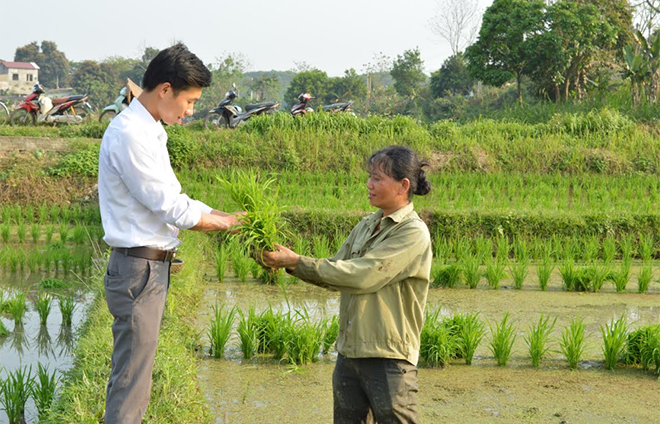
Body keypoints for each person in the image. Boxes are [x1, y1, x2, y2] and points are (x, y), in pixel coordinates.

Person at [98, 43, 242, 424]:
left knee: (135, 376)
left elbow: (177, 197)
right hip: (138, 270)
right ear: (165, 90)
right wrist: (227, 224)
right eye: (190, 101)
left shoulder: (150, 130)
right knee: (131, 382)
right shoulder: (131, 135)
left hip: (147, 269)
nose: (191, 111)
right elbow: (171, 208)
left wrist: (226, 215)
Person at [262, 145, 432, 424]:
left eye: (378, 178)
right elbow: (336, 269)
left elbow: (361, 275)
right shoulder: (367, 224)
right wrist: (288, 261)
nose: (369, 184)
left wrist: (295, 261)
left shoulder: (412, 232)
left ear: (403, 185)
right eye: (370, 176)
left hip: (389, 358)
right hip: (349, 354)